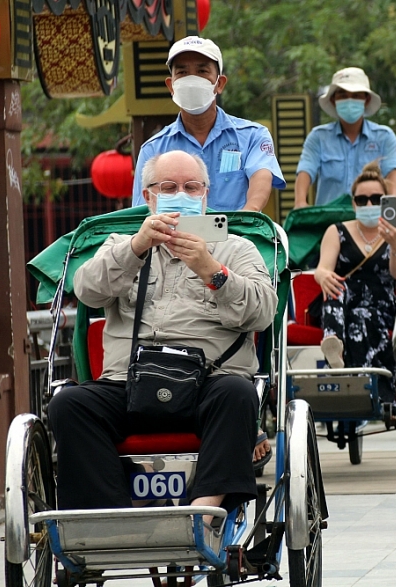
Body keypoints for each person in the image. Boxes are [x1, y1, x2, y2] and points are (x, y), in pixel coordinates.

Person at [49, 150, 278, 512]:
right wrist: (136, 248)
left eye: (191, 187)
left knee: (238, 393)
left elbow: (263, 312)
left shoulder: (237, 248)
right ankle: (112, 519)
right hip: (128, 383)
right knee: (68, 404)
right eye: (169, 187)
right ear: (149, 196)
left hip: (209, 381)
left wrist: (212, 270)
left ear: (205, 194)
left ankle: (206, 511)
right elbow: (86, 290)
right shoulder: (120, 245)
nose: (182, 194)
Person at [132, 36, 285, 212]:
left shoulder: (252, 136)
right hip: (172, 237)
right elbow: (142, 209)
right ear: (171, 86)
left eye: (202, 71)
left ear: (219, 84)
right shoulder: (152, 149)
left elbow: (261, 178)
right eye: (182, 73)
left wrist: (247, 218)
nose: (191, 80)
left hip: (235, 234)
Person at [314, 162, 396, 407]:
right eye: (362, 200)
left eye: (376, 199)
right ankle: (333, 343)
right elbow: (323, 268)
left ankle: (360, 386)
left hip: (379, 306)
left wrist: (395, 243)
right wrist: (323, 276)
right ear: (353, 204)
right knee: (336, 288)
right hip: (341, 300)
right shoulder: (336, 231)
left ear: (386, 202)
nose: (369, 205)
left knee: (362, 315)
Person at [294, 67, 396, 208]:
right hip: (328, 220)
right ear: (333, 100)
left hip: (372, 216)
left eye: (356, 95)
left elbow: (393, 174)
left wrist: (393, 203)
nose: (350, 100)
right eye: (343, 95)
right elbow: (305, 171)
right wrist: (300, 202)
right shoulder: (318, 137)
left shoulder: (384, 137)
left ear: (366, 99)